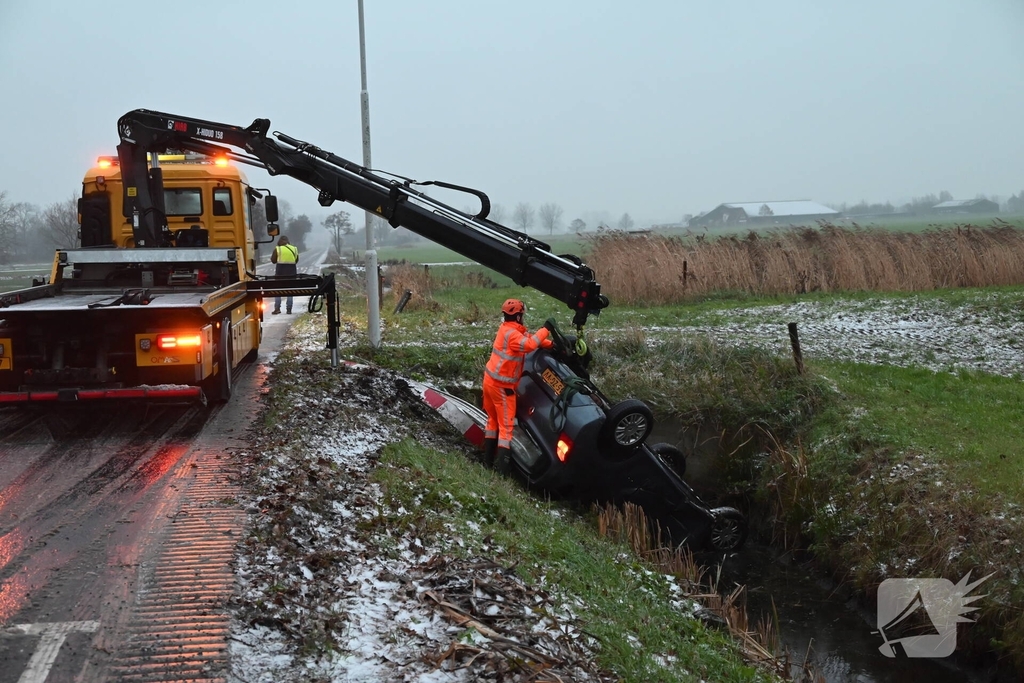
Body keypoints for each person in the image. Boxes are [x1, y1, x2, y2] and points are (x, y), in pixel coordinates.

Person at [481, 298, 553, 474]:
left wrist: (552, 345)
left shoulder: (506, 330)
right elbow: (529, 345)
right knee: (506, 429)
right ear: (519, 316)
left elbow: (529, 338)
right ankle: (502, 472)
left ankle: (486, 461)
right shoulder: (513, 335)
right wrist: (546, 329)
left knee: (492, 421)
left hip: (489, 382)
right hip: (502, 388)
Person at [270, 236, 299, 314]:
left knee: (278, 290)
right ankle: (289, 309)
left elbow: (273, 260)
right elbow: (296, 260)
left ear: (279, 241)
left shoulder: (278, 249)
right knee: (290, 291)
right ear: (288, 241)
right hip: (292, 273)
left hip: (280, 273)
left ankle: (277, 308)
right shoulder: (294, 248)